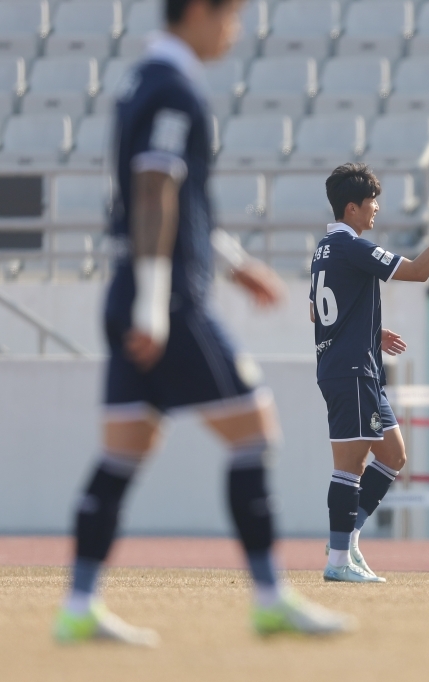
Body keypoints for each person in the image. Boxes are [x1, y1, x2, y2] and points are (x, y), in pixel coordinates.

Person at [54, 0, 350, 645]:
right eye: (230, 17)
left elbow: (172, 198)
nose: (233, 32)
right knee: (255, 433)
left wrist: (233, 263)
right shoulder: (173, 87)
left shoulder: (139, 82)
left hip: (131, 289)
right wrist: (153, 305)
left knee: (124, 451)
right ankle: (270, 597)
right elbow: (154, 189)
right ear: (196, 11)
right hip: (169, 302)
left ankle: (78, 605)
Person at [313, 163, 429, 583]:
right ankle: (337, 560)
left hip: (355, 367)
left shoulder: (323, 250)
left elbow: (316, 311)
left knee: (393, 455)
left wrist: (369, 329)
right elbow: (419, 272)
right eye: (371, 202)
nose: (376, 209)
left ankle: (347, 538)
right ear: (352, 208)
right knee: (349, 466)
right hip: (351, 371)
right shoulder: (353, 247)